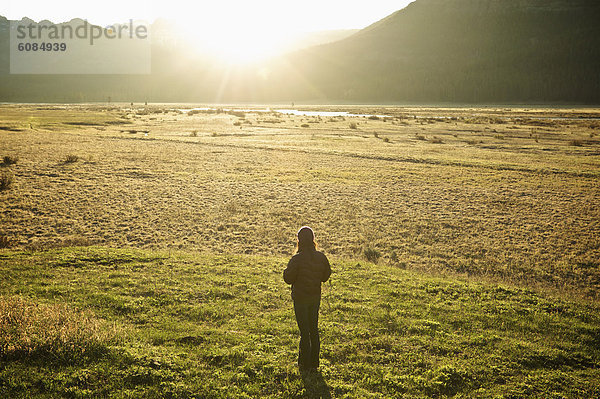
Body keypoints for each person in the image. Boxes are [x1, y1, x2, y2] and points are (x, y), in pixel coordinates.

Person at [283, 226, 331, 372]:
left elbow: (288, 279)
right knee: (313, 329)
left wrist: (286, 271)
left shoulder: (297, 259)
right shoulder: (321, 257)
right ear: (313, 239)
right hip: (315, 298)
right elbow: (325, 275)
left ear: (299, 240)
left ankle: (303, 363)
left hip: (300, 299)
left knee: (304, 332)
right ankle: (314, 363)